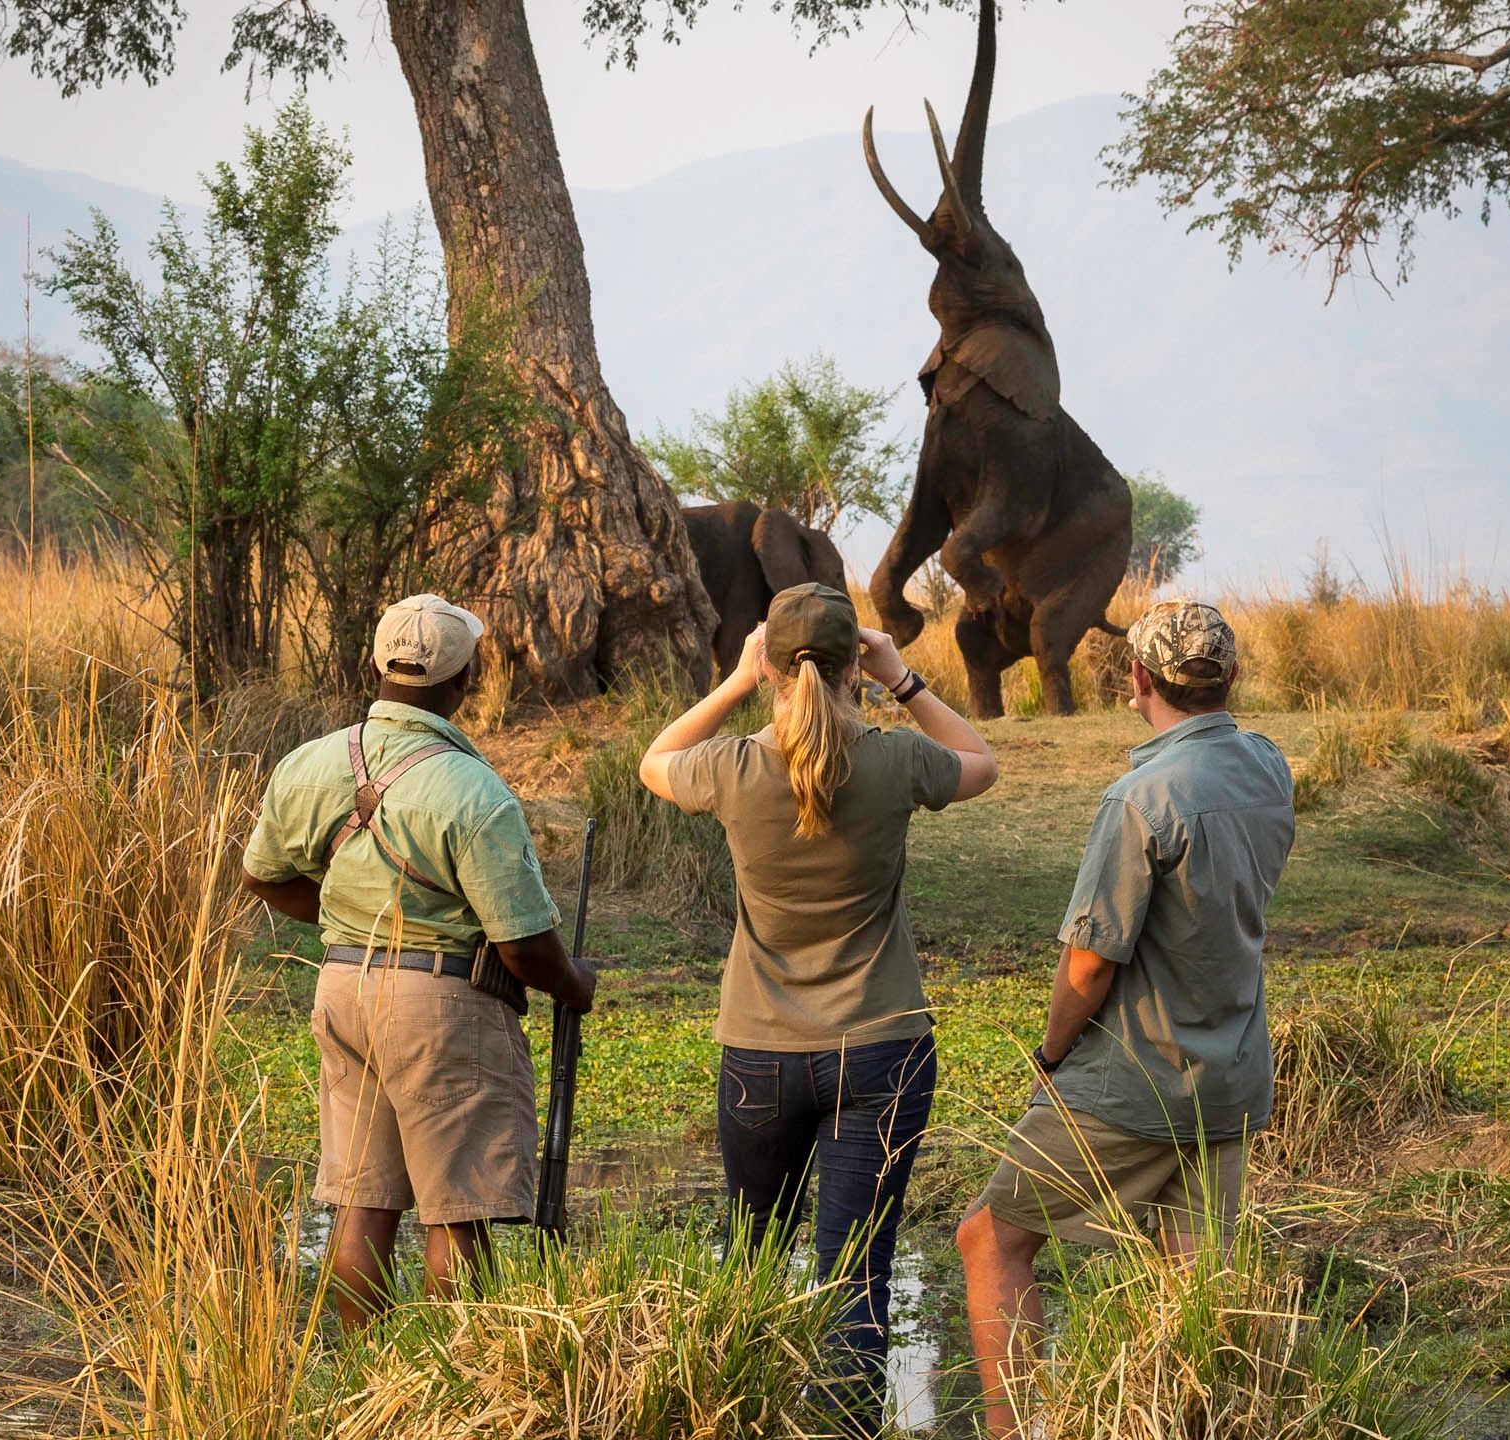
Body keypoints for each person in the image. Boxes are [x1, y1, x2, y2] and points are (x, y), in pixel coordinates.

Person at [637, 583, 997, 1435]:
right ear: (852, 668)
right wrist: (904, 679)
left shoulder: (730, 768)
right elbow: (982, 763)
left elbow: (654, 761)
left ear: (770, 665)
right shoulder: (897, 761)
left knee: (754, 1257)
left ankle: (740, 1414)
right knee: (856, 1271)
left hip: (759, 1055)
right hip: (883, 1050)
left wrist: (733, 683)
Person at [955, 600, 1294, 1440]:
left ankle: (1012, 1433)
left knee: (988, 1242)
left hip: (1134, 1080)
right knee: (1195, 1292)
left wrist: (1052, 1050)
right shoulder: (1269, 767)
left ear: (1137, 679)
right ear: (1232, 678)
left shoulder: (1141, 797)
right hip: (1231, 1077)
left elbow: (1089, 963)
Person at [239, 594, 596, 1329]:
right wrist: (574, 984)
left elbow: (262, 875)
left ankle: (371, 1377)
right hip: (443, 1006)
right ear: (466, 679)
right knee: (456, 1209)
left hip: (342, 988)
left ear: (374, 664)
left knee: (364, 1202)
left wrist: (355, 924)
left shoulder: (308, 764)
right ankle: (452, 1382)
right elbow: (523, 945)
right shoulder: (474, 790)